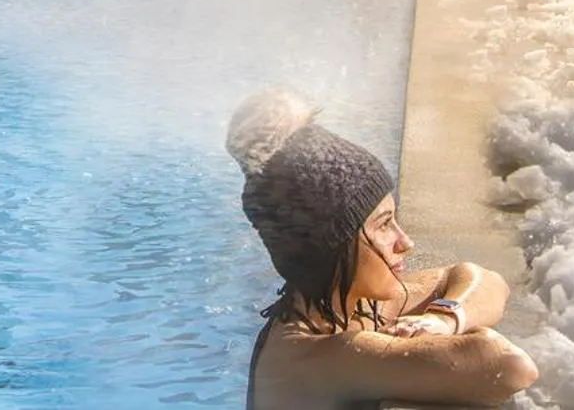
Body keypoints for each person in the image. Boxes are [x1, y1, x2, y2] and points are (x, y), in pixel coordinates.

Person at [227, 89, 537, 408]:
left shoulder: (351, 305)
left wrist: (444, 319)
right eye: (384, 225)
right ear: (334, 244)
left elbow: (483, 279)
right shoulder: (314, 356)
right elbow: (508, 367)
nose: (405, 242)